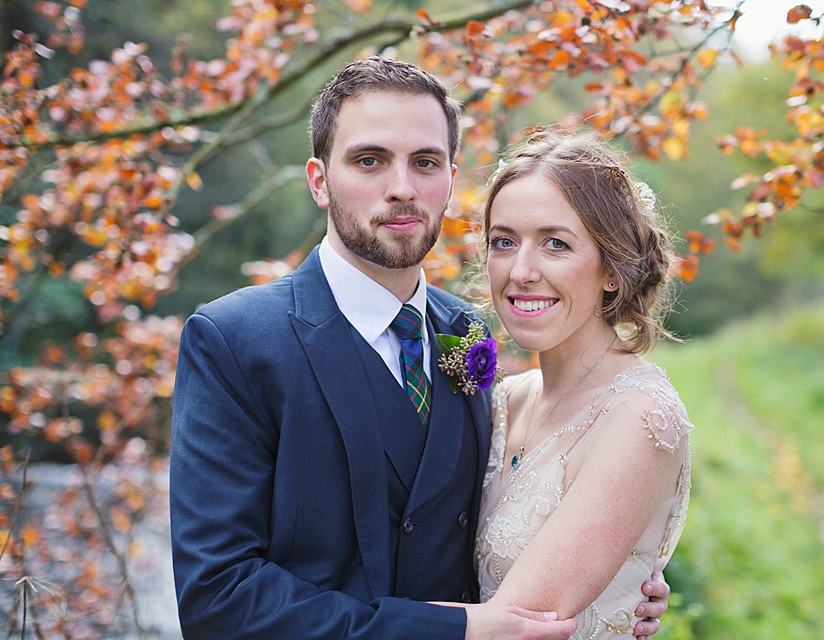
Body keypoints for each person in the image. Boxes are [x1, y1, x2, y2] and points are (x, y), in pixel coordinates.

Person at [169, 56, 669, 640]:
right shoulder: (233, 341)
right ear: (319, 180)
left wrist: (613, 584)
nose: (401, 188)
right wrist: (447, 630)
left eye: (424, 162)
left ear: (451, 181)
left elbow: (489, 511)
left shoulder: (467, 333)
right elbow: (217, 597)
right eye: (369, 160)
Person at [473, 129, 692, 638]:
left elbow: (522, 626)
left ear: (611, 269)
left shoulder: (639, 416)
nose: (521, 271)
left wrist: (336, 623)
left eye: (556, 244)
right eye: (503, 242)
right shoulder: (502, 399)